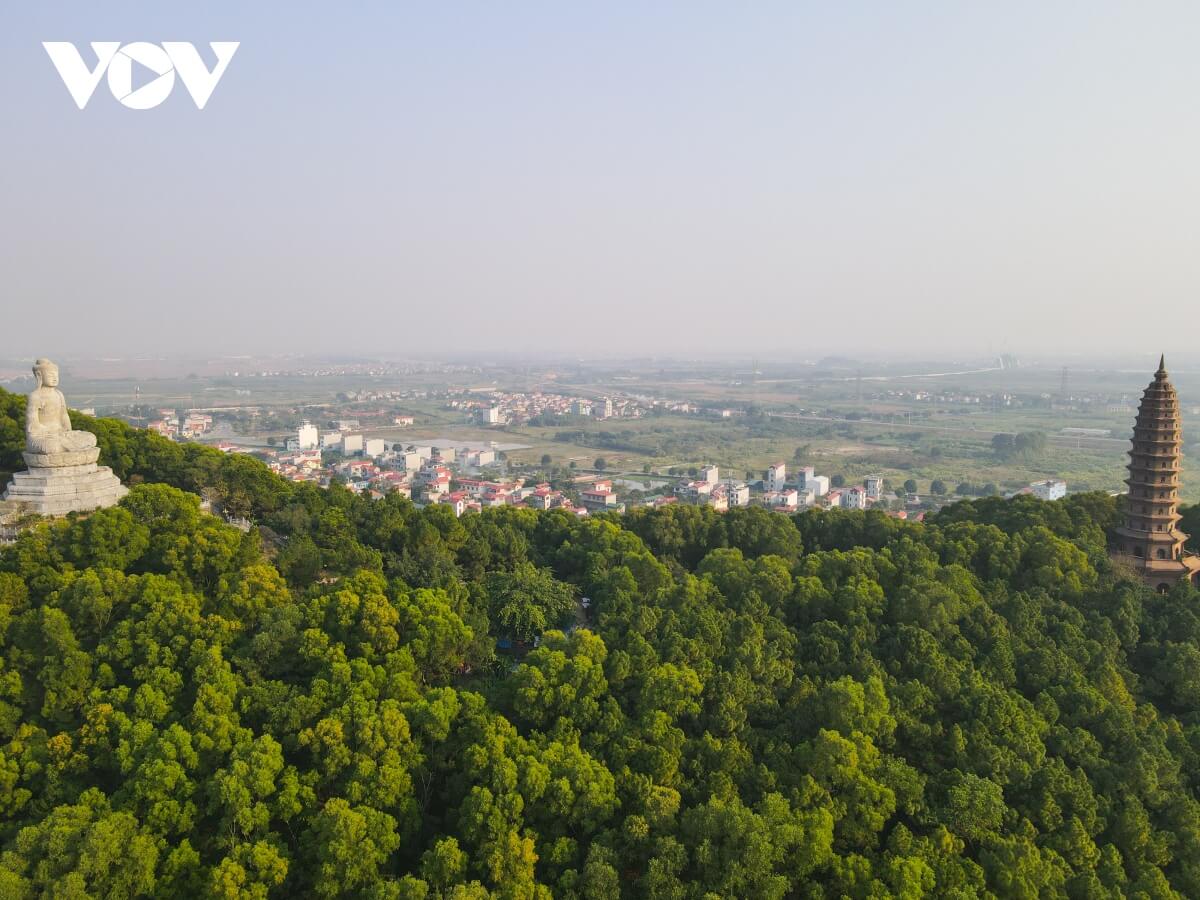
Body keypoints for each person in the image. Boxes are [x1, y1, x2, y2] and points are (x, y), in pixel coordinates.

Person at [25, 358, 97, 455]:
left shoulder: (59, 394)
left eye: (56, 375)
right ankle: (67, 448)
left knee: (91, 438)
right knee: (52, 447)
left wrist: (68, 432)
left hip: (61, 434)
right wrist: (50, 432)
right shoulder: (35, 396)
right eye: (50, 375)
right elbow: (32, 426)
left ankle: (66, 446)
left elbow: (64, 415)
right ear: (39, 375)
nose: (55, 378)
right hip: (42, 437)